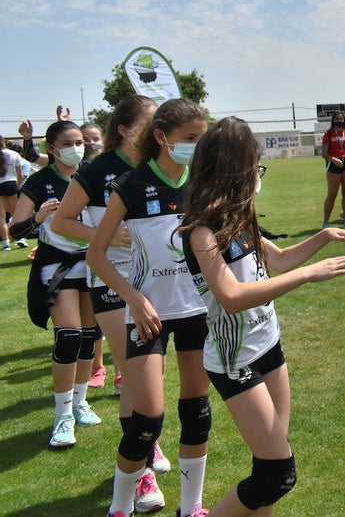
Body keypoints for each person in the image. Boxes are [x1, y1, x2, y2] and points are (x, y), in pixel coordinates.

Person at [180, 116, 345, 517]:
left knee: (268, 470)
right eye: (254, 167)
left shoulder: (241, 216)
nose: (256, 176)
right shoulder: (200, 232)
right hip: (235, 361)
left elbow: (279, 260)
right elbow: (231, 297)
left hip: (268, 347)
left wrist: (324, 237)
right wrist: (308, 275)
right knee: (278, 475)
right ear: (232, 170)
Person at [88, 98, 212, 517]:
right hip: (147, 314)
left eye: (201, 138)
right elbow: (96, 256)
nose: (196, 146)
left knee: (197, 412)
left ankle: (190, 507)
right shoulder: (131, 184)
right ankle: (120, 507)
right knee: (147, 418)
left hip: (196, 311)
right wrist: (134, 299)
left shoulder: (203, 181)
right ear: (161, 137)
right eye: (189, 138)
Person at [52, 95, 174, 507]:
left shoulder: (159, 165)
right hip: (110, 282)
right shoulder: (96, 170)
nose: (158, 129)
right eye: (150, 122)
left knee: (150, 375)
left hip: (155, 282)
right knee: (136, 375)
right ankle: (141, 475)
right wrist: (103, 235)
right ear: (124, 130)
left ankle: (145, 442)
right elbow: (61, 221)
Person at [8, 120, 103, 449]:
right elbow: (15, 231)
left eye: (79, 142)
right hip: (56, 266)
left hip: (91, 263)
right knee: (69, 336)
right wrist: (37, 218)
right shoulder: (39, 181)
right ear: (51, 148)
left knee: (89, 336)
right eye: (67, 143)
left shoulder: (90, 175)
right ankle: (62, 415)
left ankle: (80, 401)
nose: (75, 148)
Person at [321, 112, 345, 228]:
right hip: (334, 165)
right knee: (332, 194)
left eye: (341, 119)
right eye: (337, 119)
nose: (339, 120)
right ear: (333, 120)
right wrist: (334, 160)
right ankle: (326, 222)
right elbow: (324, 154)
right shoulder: (328, 134)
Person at [1, 135, 26, 251]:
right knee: (15, 213)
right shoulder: (13, 154)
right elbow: (19, 174)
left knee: (1, 217)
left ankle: (6, 243)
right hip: (11, 183)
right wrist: (18, 186)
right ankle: (20, 238)